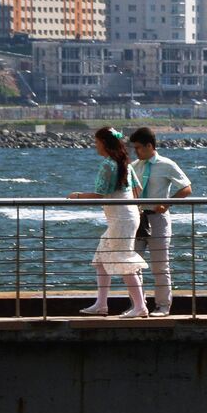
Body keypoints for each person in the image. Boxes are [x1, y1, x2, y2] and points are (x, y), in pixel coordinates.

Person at [68, 127, 149, 318]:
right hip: (125, 216)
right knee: (102, 259)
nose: (95, 145)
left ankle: (140, 306)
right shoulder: (125, 163)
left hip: (120, 218)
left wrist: (77, 196)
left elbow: (100, 194)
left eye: (96, 142)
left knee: (123, 259)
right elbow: (138, 188)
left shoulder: (108, 165)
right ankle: (101, 304)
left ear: (104, 143)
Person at [128, 126, 193, 317]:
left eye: (138, 148)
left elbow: (186, 188)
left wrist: (167, 204)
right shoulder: (133, 166)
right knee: (132, 264)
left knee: (160, 265)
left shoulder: (167, 164)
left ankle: (163, 306)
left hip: (158, 218)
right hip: (138, 218)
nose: (136, 151)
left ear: (149, 146)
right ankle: (138, 305)